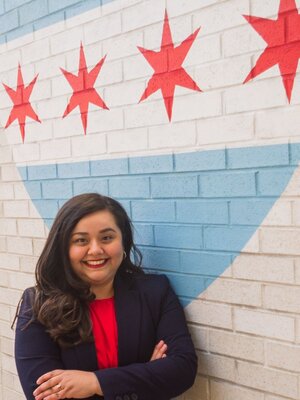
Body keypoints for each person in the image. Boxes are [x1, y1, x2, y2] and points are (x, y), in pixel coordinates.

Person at [14, 193, 197, 400]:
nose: (95, 250)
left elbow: (183, 369)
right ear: (64, 247)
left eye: (107, 238)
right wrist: (146, 378)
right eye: (81, 240)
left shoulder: (155, 292)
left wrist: (94, 382)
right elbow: (42, 395)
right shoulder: (38, 305)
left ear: (123, 241)